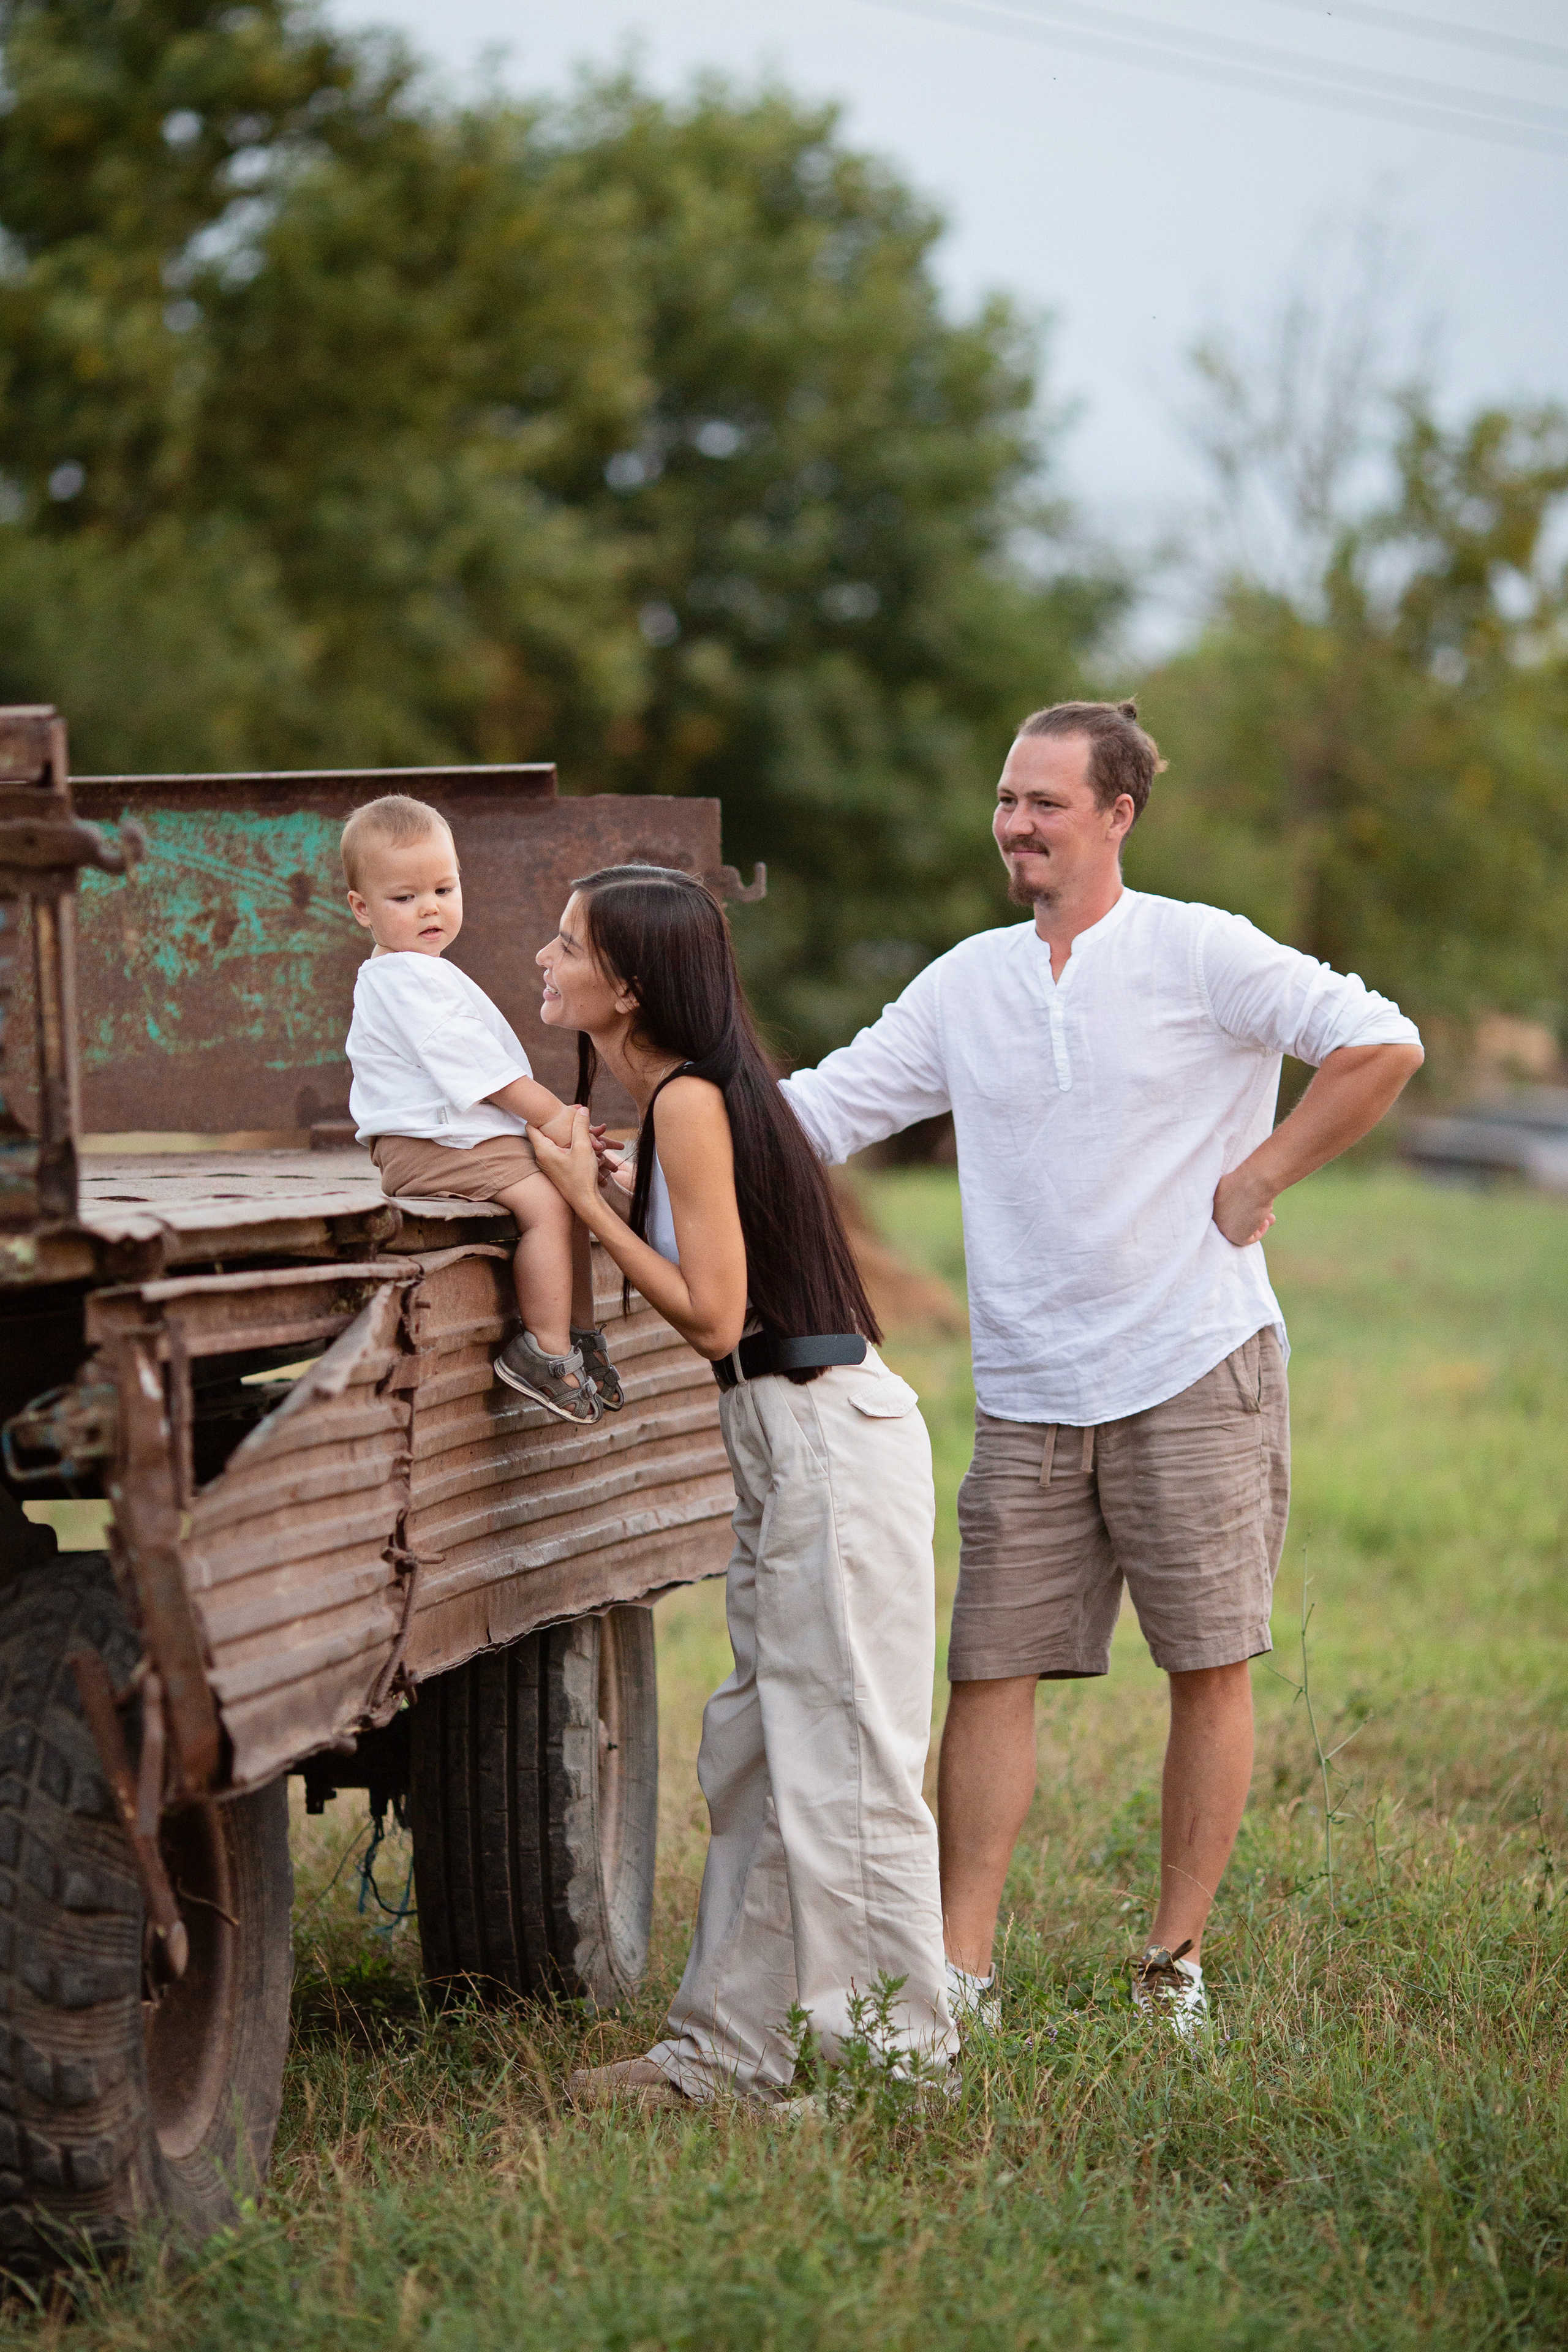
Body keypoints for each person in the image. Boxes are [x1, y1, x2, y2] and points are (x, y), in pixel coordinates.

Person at [780, 699, 1425, 2034]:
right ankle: (959, 1975)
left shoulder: (1197, 952)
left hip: (1192, 1359)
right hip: (1026, 1386)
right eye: (1006, 800)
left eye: (1044, 804)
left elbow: (1379, 1042)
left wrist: (1260, 1172)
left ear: (1116, 815)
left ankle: (1170, 1969)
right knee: (990, 1671)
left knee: (1206, 1665)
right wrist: (661, 1138)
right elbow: (827, 1107)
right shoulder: (966, 981)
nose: (1014, 824)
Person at [526, 864, 957, 2107]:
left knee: (846, 1758)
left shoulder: (700, 1102)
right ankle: (726, 2052)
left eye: (565, 945)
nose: (544, 961)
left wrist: (581, 1208)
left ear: (625, 981)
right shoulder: (682, 1105)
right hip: (790, 1432)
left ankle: (899, 2070)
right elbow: (728, 1270)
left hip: (826, 1430)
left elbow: (714, 1314)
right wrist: (622, 1192)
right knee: (761, 1751)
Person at [341, 793, 619, 1425]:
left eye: (443, 887)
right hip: (426, 1146)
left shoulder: (426, 970)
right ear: (361, 908)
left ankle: (577, 1334)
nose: (430, 907)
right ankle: (542, 1352)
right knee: (547, 1202)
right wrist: (552, 1118)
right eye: (404, 898)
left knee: (574, 1191)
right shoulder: (404, 980)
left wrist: (559, 1134)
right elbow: (483, 1075)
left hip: (460, 1137)